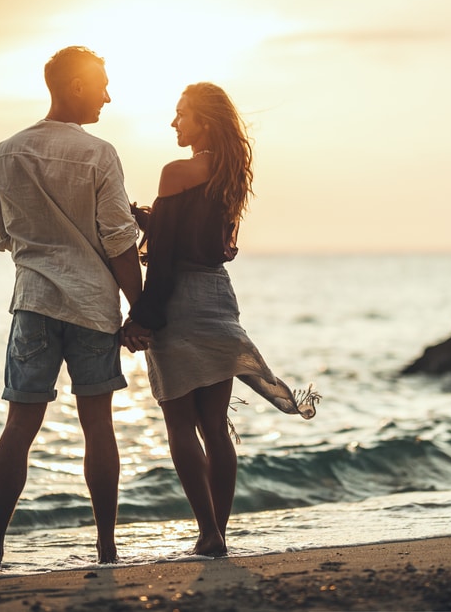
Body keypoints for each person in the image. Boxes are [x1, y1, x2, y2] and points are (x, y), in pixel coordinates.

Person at [122, 82, 319, 557]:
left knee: (179, 424)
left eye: (182, 114)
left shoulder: (175, 172)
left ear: (204, 122)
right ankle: (218, 536)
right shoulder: (229, 176)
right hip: (217, 297)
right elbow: (198, 241)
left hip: (178, 301)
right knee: (213, 426)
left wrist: (140, 318)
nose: (174, 123)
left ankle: (207, 531)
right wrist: (149, 219)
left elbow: (164, 261)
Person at [0, 45, 148, 572]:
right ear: (75, 86)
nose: (107, 97)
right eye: (101, 85)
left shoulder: (5, 153)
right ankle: (106, 548)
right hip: (92, 307)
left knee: (19, 427)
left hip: (33, 303)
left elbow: (5, 233)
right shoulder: (99, 154)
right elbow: (119, 239)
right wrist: (139, 309)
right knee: (98, 425)